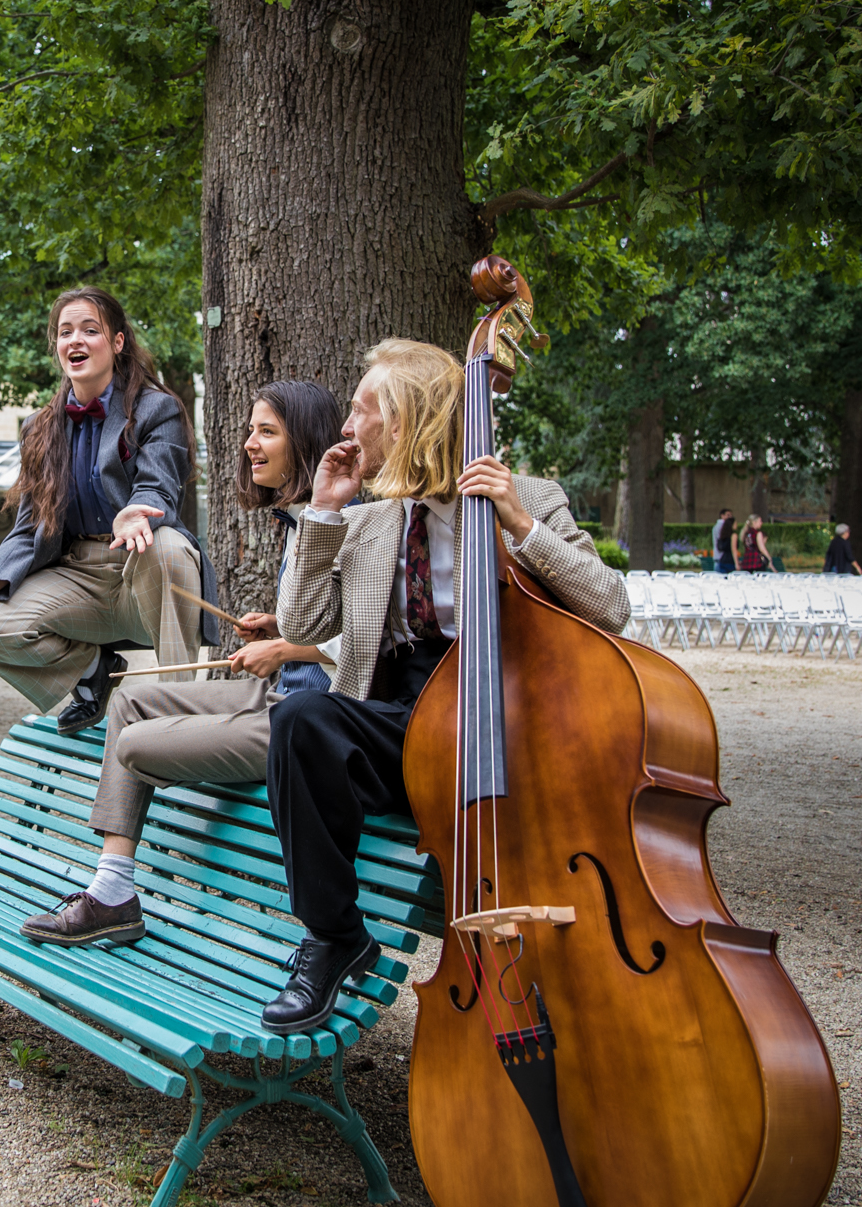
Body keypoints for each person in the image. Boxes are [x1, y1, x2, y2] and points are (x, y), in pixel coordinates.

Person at [255, 339, 630, 1034]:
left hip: (505, 729)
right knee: (302, 720)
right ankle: (335, 936)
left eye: (362, 410)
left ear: (405, 422)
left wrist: (518, 523)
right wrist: (325, 514)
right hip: (405, 718)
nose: (345, 428)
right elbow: (300, 622)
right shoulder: (367, 521)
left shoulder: (531, 498)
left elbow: (608, 607)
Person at [18, 379, 346, 947]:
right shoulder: (298, 518)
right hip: (280, 696)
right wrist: (280, 627)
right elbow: (333, 621)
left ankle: (114, 892)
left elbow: (378, 641)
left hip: (316, 720)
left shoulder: (353, 521)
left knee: (135, 744)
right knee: (131, 698)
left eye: (266, 431)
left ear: (306, 441)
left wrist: (289, 649)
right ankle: (113, 891)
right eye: (250, 429)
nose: (249, 443)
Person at [0, 287, 214, 732]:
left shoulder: (158, 409)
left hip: (140, 568)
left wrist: (137, 509)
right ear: (56, 345)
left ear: (117, 342)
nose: (75, 341)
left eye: (89, 330)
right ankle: (92, 672)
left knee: (171, 547)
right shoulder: (38, 428)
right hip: (77, 576)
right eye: (65, 332)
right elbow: (30, 528)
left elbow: (159, 488)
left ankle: (179, 719)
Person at [711, 508, 736, 574]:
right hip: (721, 557)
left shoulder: (716, 526)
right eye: (728, 515)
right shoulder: (721, 526)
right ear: (722, 515)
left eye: (731, 515)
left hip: (718, 557)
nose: (730, 517)